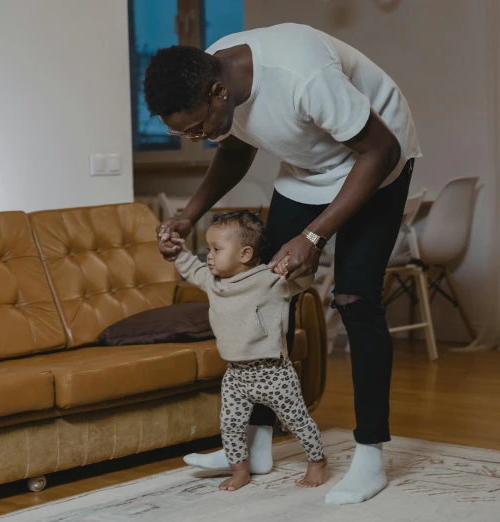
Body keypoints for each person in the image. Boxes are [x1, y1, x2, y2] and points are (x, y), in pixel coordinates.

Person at [144, 23, 420, 505]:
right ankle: (257, 446)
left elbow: (382, 149)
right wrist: (190, 214)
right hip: (309, 169)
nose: (197, 138)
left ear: (218, 91)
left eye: (196, 127)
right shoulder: (209, 69)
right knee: (262, 286)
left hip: (376, 161)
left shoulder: (302, 74)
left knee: (355, 298)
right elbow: (234, 148)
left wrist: (314, 235)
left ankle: (370, 454)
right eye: (181, 133)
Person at [168, 210, 324, 491]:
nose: (209, 256)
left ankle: (317, 461)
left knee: (297, 420)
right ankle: (240, 471)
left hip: (273, 372)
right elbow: (190, 267)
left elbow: (305, 279)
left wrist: (293, 266)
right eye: (208, 249)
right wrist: (174, 250)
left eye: (216, 249)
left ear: (245, 254)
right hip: (236, 374)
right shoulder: (213, 283)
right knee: (230, 425)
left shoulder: (270, 280)